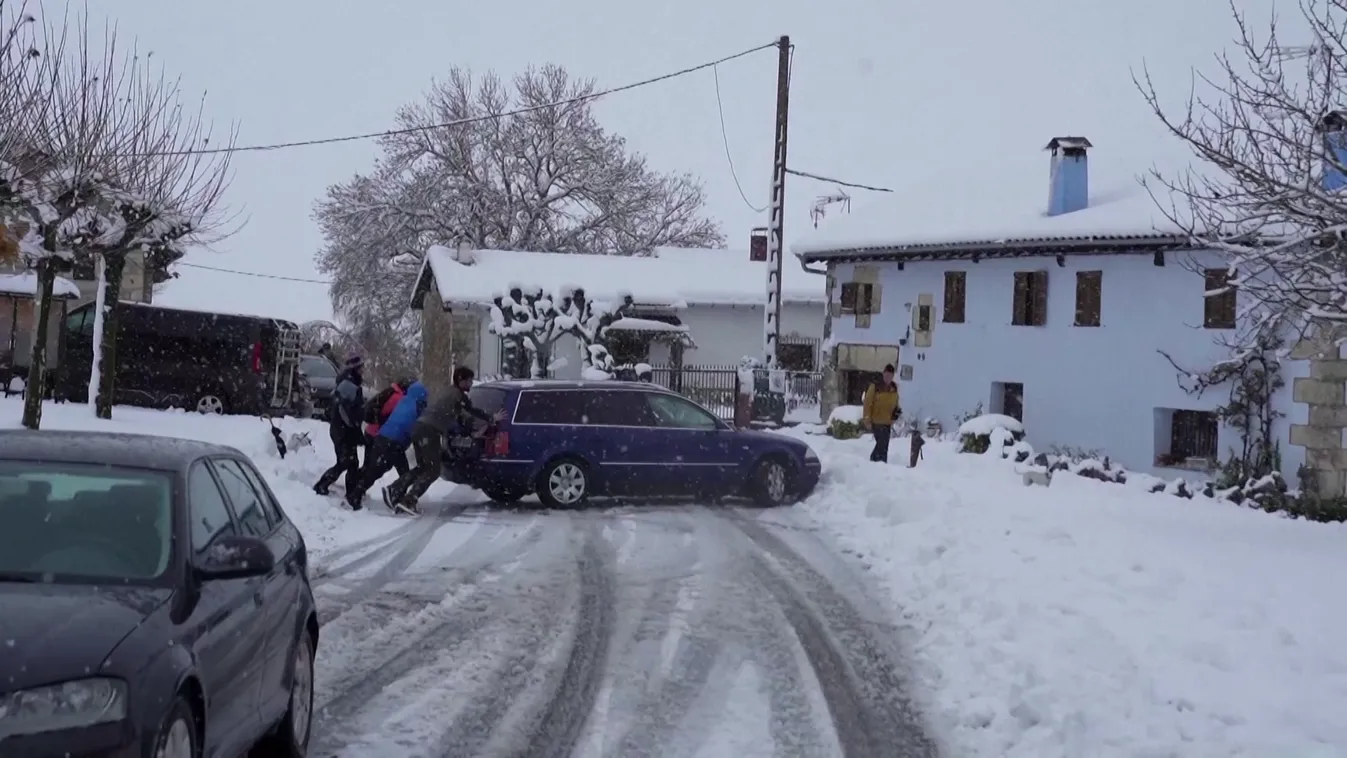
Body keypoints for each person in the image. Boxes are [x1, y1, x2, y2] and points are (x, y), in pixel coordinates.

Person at [383, 367, 505, 514]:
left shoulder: (448, 392)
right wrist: (491, 418)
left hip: (419, 428)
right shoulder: (458, 395)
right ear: (460, 380)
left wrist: (471, 433)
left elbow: (459, 419)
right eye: (469, 380)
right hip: (429, 431)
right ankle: (409, 500)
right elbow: (472, 411)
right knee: (433, 470)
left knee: (423, 467)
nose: (471, 383)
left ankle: (395, 489)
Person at [346, 380, 426, 509]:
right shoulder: (417, 407)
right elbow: (418, 427)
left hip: (382, 436)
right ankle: (359, 494)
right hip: (394, 442)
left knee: (379, 469)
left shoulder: (404, 401)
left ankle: (360, 492)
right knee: (383, 470)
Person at [313, 355, 366, 501]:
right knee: (345, 462)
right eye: (361, 368)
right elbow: (343, 410)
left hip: (345, 431)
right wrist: (354, 428)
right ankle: (321, 485)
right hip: (342, 431)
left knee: (352, 463)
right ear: (354, 369)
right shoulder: (348, 385)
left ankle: (352, 493)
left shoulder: (349, 383)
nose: (363, 370)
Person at [364, 377, 414, 477]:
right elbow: (394, 418)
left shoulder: (391, 392)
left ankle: (355, 488)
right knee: (401, 466)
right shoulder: (398, 398)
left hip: (371, 432)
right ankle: (402, 488)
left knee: (369, 466)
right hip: (382, 435)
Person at [861, 364, 901, 463]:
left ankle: (880, 463)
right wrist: (867, 419)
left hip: (887, 421)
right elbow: (867, 403)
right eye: (886, 375)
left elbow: (896, 403)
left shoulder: (894, 388)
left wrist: (897, 412)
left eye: (890, 376)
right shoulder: (875, 386)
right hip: (876, 421)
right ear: (883, 374)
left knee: (884, 445)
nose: (888, 378)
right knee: (881, 443)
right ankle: (876, 460)